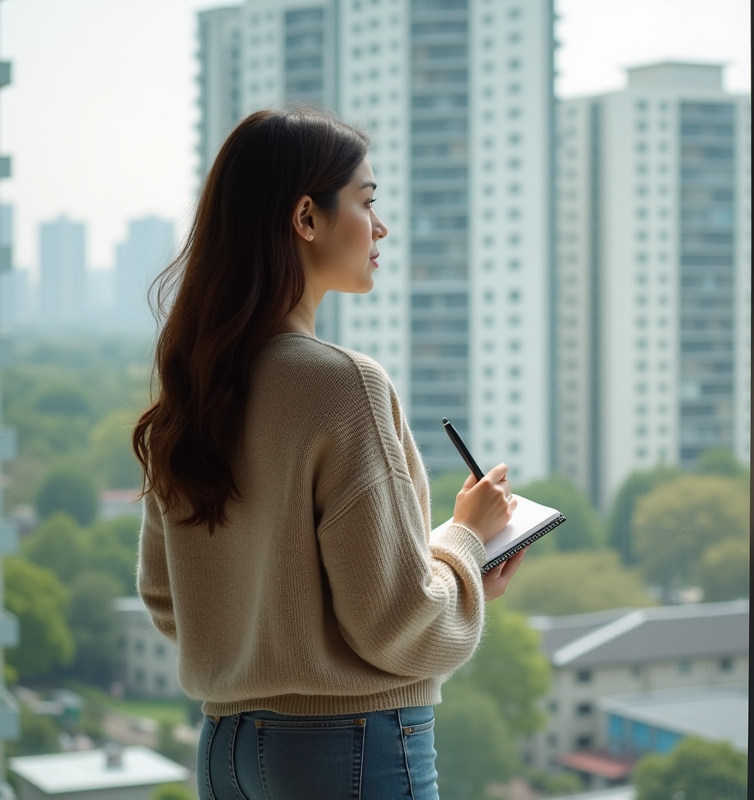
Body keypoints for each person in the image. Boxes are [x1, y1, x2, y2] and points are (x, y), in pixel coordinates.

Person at [132, 106, 528, 800]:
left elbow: (171, 600)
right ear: (306, 217)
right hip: (351, 752)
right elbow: (397, 625)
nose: (381, 227)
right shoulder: (343, 384)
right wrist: (468, 539)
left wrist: (448, 565)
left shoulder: (198, 384)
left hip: (227, 755)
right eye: (367, 202)